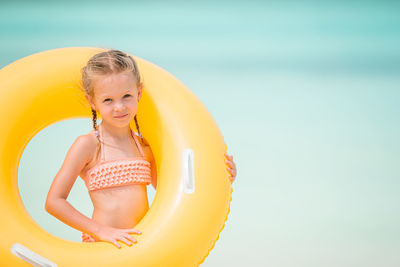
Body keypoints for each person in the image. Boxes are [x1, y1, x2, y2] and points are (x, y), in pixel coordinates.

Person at [45, 49, 237, 249]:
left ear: (138, 93)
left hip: (141, 246)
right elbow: (54, 201)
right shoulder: (88, 145)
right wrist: (101, 231)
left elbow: (175, 190)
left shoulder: (144, 147)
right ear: (92, 101)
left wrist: (221, 177)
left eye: (126, 96)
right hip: (103, 245)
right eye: (108, 100)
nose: (119, 107)